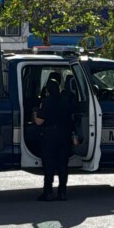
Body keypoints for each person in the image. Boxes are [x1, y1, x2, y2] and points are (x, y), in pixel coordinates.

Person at [33, 72, 78, 201]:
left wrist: (35, 112)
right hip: (64, 136)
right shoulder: (66, 100)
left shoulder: (46, 102)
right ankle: (62, 192)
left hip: (50, 137)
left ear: (47, 90)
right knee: (63, 165)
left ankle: (48, 193)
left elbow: (39, 122)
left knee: (49, 165)